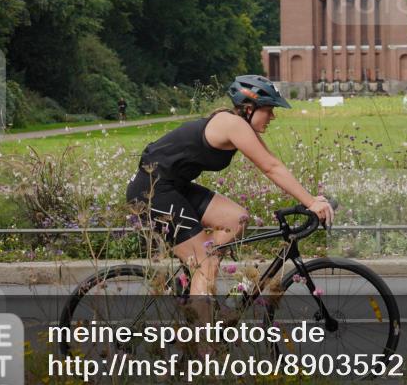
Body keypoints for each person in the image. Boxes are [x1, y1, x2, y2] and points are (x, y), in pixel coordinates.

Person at [126, 75, 334, 298]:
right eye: (269, 109)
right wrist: (311, 202)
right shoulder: (232, 124)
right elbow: (270, 167)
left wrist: (312, 199)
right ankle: (200, 325)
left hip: (175, 187)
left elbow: (273, 161)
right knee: (206, 263)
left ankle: (196, 283)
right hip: (152, 191)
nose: (272, 116)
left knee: (236, 219)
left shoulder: (238, 124)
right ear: (249, 107)